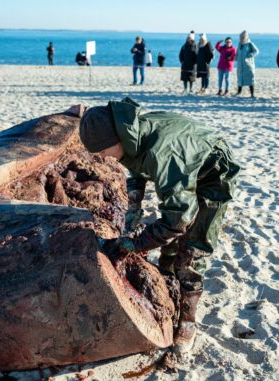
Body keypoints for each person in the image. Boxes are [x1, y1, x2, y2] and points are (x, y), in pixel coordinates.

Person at [79, 97, 240, 354]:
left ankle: (187, 321)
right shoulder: (130, 133)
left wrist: (138, 243)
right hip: (186, 157)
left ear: (116, 139)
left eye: (103, 151)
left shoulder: (161, 153)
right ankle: (167, 283)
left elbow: (178, 220)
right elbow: (136, 170)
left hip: (214, 172)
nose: (104, 158)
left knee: (192, 251)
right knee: (170, 250)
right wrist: (133, 210)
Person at [235, 31, 259, 98]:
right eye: (240, 37)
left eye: (242, 37)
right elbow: (237, 52)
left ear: (245, 37)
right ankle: (239, 92)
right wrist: (236, 57)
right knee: (240, 79)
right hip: (240, 65)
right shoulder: (240, 43)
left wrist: (249, 55)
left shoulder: (250, 44)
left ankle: (252, 93)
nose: (241, 38)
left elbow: (256, 51)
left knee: (250, 79)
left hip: (248, 65)